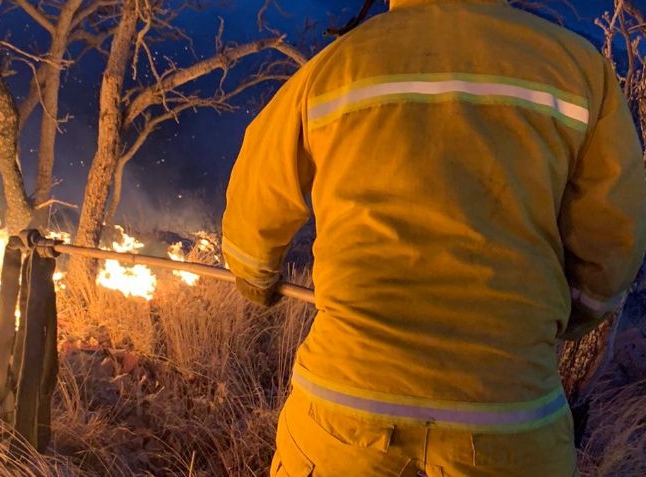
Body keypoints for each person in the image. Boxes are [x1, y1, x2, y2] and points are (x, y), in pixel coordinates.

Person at [221, 0, 646, 475]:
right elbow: (615, 240)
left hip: (343, 415)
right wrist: (571, 314)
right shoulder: (577, 68)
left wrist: (257, 281)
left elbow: (251, 214)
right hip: (512, 419)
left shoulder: (335, 67)